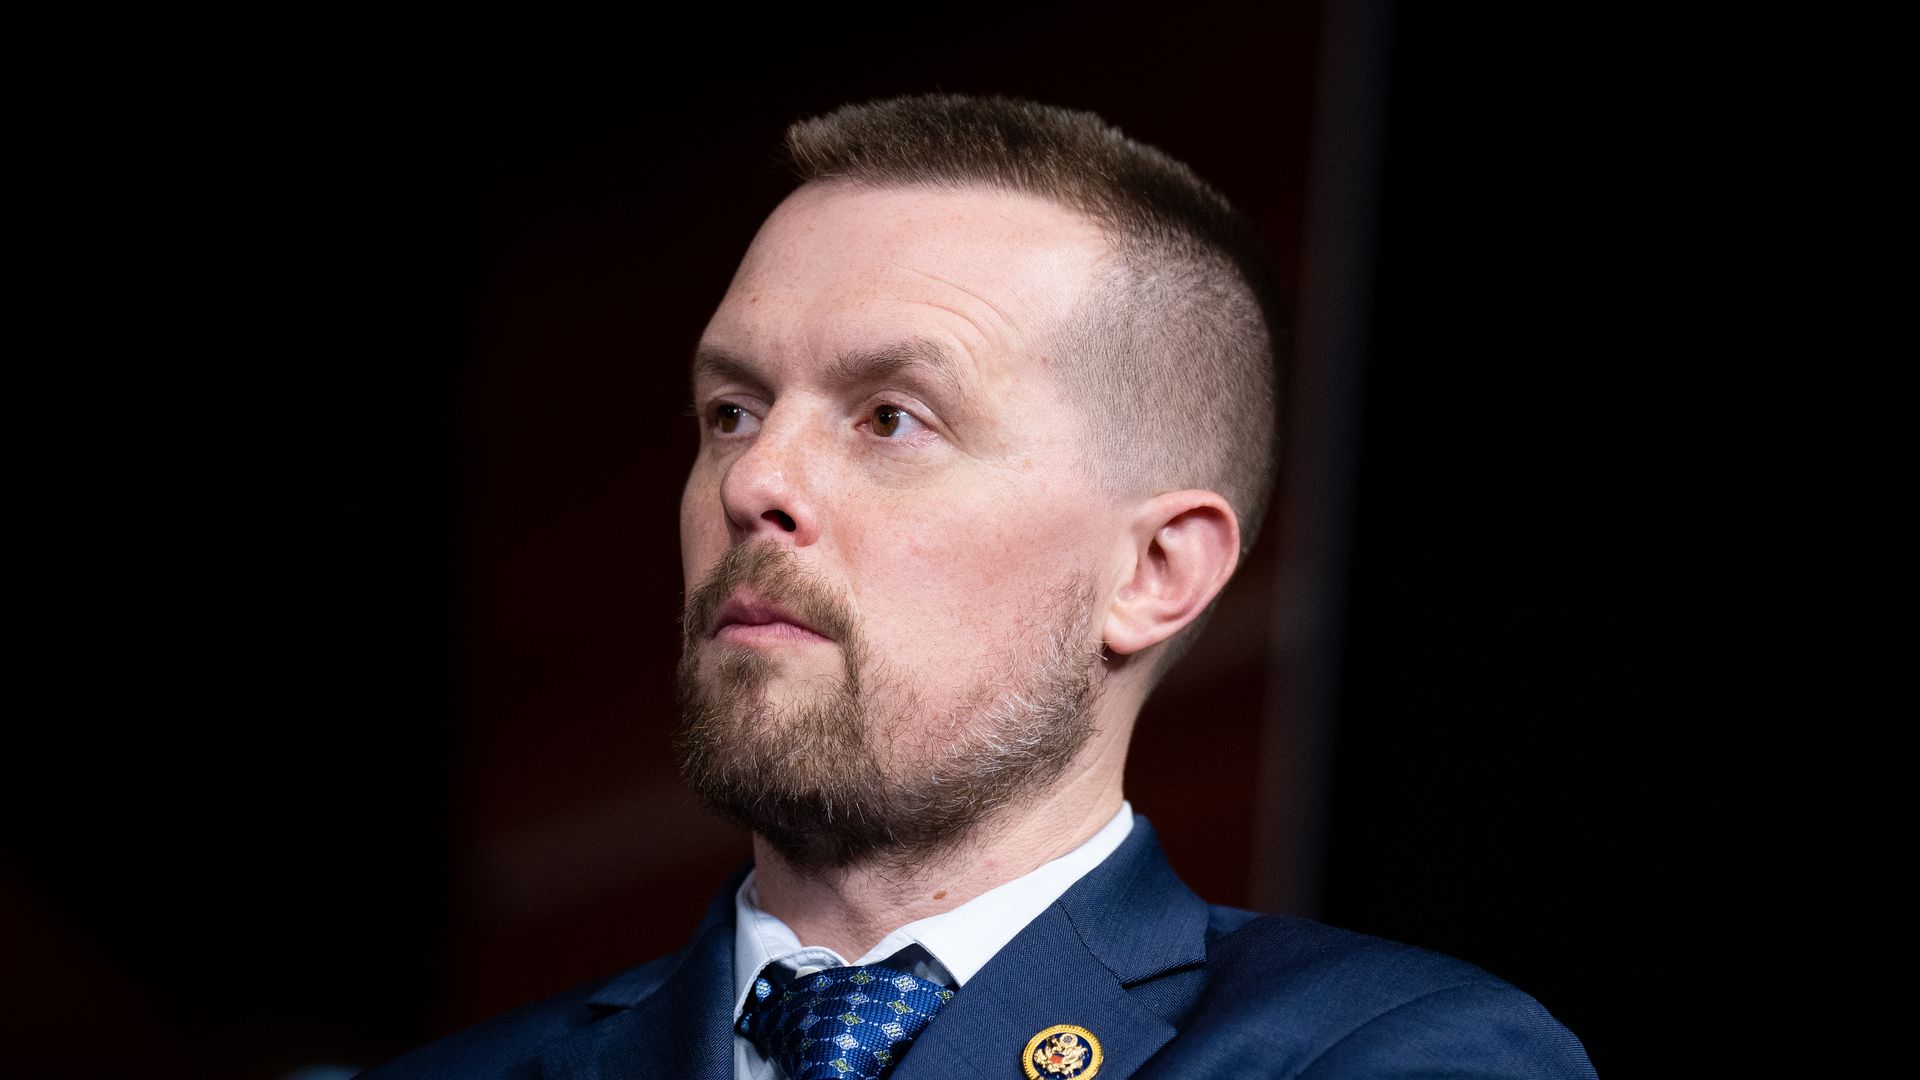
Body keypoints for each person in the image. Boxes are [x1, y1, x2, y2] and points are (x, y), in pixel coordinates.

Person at [363, 94, 1594, 1080]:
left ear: (1154, 572)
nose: (753, 481)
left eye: (890, 417)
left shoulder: (1390, 1054)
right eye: (732, 410)